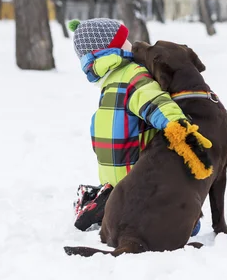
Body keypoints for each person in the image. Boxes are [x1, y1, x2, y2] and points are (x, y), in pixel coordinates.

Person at [68, 18, 207, 237]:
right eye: (125, 40)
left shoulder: (108, 84)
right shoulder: (133, 76)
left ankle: (106, 202)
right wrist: (183, 133)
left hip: (114, 181)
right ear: (112, 48)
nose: (132, 45)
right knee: (192, 223)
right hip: (139, 181)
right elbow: (158, 106)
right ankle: (123, 207)